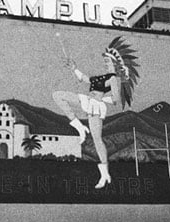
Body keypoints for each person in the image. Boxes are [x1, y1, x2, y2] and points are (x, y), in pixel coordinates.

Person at [52, 37, 138, 189]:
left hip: (96, 107)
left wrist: (102, 98)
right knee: (58, 95)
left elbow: (116, 99)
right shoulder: (101, 77)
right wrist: (74, 68)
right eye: (105, 61)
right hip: (87, 100)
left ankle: (105, 173)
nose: (105, 63)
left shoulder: (113, 79)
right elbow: (86, 79)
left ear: (115, 64)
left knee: (97, 140)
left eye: (108, 61)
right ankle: (80, 128)